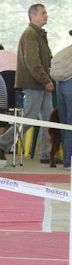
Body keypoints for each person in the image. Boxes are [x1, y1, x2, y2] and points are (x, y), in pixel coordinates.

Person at [0, 4, 54, 162]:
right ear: (33, 16)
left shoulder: (38, 35)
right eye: (43, 13)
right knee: (29, 118)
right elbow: (33, 63)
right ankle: (1, 144)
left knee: (48, 119)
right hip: (33, 84)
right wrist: (46, 80)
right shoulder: (30, 35)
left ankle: (46, 154)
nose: (46, 15)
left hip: (40, 84)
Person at [50, 31, 72, 169]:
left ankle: (66, 161)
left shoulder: (66, 52)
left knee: (64, 124)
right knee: (71, 124)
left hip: (60, 85)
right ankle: (68, 162)